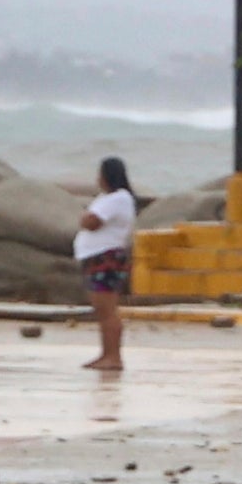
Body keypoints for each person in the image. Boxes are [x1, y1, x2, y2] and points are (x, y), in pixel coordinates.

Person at [73, 157, 140, 372]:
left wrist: (85, 218)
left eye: (100, 174)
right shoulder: (107, 198)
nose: (97, 179)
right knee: (101, 309)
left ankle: (114, 356)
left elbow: (92, 222)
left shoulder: (118, 198)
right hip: (96, 256)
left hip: (106, 258)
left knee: (107, 309)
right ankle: (106, 353)